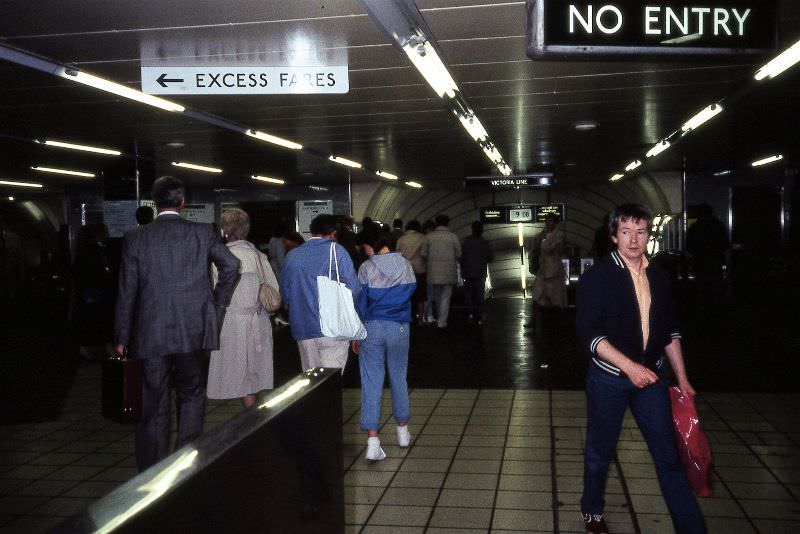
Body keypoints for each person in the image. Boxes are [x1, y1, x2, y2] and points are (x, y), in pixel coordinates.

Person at [576, 204, 705, 534]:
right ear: (613, 235)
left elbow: (669, 331)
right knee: (599, 453)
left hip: (652, 381)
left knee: (668, 458)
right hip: (609, 380)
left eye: (641, 231)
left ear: (650, 234)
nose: (634, 240)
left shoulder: (660, 277)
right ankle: (592, 510)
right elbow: (591, 336)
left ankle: (691, 528)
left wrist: (682, 378)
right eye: (626, 231)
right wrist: (630, 367)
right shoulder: (597, 277)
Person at [114, 176, 240, 472]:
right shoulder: (202, 232)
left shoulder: (136, 237)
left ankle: (151, 470)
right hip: (192, 329)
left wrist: (121, 336)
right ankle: (186, 460)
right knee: (191, 393)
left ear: (153, 202)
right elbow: (231, 266)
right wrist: (217, 304)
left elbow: (126, 290)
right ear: (183, 202)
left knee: (153, 402)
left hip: (149, 332)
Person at [352, 233, 416, 460]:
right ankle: (402, 433)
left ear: (376, 246)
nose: (365, 251)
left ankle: (372, 441)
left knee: (371, 381)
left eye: (367, 246)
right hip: (399, 327)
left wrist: (356, 334)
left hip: (371, 328)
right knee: (399, 377)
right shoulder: (406, 265)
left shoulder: (366, 268)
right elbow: (411, 294)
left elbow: (359, 302)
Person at [207, 208, 278, 408]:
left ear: (224, 230)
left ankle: (251, 414)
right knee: (254, 371)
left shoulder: (220, 258)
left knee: (237, 371)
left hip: (231, 322)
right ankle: (254, 411)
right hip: (258, 318)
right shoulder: (258, 256)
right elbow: (273, 291)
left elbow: (215, 291)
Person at [280, 214, 360, 371]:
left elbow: (286, 293)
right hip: (333, 326)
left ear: (311, 232)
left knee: (312, 381)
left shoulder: (292, 256)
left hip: (303, 328)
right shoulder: (338, 252)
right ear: (334, 233)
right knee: (331, 379)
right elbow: (354, 290)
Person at [71, 223, 112, 359]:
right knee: (98, 322)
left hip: (87, 295)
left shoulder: (82, 252)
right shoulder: (97, 252)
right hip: (96, 294)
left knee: (89, 323)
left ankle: (88, 351)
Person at [424, 214, 461, 328]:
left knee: (436, 296)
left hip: (433, 272)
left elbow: (423, 253)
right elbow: (459, 253)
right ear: (447, 223)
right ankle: (442, 322)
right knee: (446, 297)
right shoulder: (453, 237)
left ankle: (437, 318)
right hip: (448, 272)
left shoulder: (429, 237)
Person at [529, 213, 567, 310]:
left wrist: (544, 239)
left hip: (554, 272)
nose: (547, 223)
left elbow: (548, 248)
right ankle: (534, 319)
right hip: (543, 271)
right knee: (537, 295)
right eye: (546, 221)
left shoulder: (559, 235)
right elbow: (534, 249)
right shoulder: (540, 235)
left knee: (555, 298)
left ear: (555, 223)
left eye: (550, 221)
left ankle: (556, 320)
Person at [461, 221, 494, 324]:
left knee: (468, 293)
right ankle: (480, 314)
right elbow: (490, 257)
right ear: (481, 230)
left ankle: (470, 313)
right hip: (480, 272)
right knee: (479, 293)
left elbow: (461, 256)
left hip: (468, 271)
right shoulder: (484, 242)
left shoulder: (466, 241)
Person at [395, 220, 428, 323]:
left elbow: (397, 254)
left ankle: (408, 317)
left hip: (405, 270)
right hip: (420, 269)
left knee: (407, 295)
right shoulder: (422, 238)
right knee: (420, 295)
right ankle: (420, 319)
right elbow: (425, 253)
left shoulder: (401, 239)